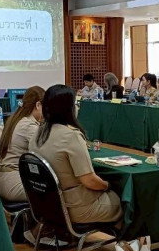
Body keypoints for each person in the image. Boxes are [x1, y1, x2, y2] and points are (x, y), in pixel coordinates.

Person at [29, 85, 122, 223]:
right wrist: (107, 185)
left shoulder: (37, 133)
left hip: (47, 205)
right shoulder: (71, 136)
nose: (77, 107)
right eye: (76, 104)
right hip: (75, 208)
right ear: (69, 108)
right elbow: (89, 181)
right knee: (125, 200)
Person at [0, 86, 45, 202]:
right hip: (13, 181)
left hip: (4, 178)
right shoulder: (29, 125)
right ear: (38, 105)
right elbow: (46, 150)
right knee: (57, 192)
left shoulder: (16, 119)